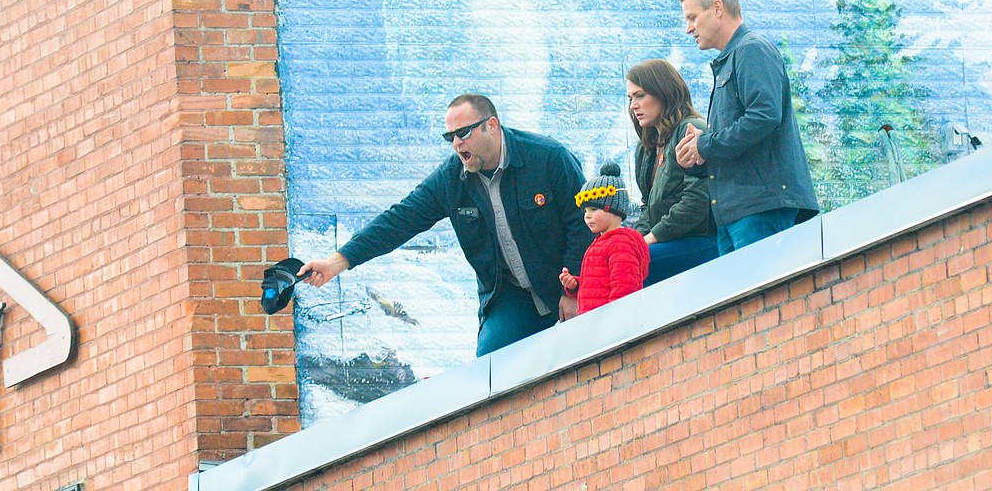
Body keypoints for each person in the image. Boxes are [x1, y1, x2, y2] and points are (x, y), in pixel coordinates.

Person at [298, 94, 591, 356]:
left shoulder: (548, 157)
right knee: (491, 366)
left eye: (463, 133)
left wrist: (574, 289)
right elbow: (399, 220)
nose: (456, 144)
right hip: (511, 297)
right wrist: (336, 263)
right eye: (449, 137)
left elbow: (582, 224)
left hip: (567, 281)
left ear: (491, 125)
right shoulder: (452, 180)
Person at [673, 0, 819, 254]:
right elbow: (743, 136)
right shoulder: (733, 58)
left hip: (760, 209)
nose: (688, 29)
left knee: (766, 297)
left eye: (692, 17)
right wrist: (697, 155)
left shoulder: (752, 50)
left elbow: (764, 116)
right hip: (737, 215)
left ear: (717, 8)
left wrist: (705, 144)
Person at [625, 60, 718, 284]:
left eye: (640, 96)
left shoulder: (692, 130)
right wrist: (633, 241)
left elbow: (697, 201)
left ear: (664, 92)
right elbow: (647, 204)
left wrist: (649, 240)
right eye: (630, 99)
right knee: (619, 262)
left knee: (633, 266)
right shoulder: (646, 147)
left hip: (701, 239)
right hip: (664, 241)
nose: (633, 106)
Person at [558, 163, 649, 315]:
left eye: (593, 209)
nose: (587, 215)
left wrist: (612, 322)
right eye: (585, 210)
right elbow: (596, 287)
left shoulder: (621, 244)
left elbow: (625, 290)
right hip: (597, 324)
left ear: (613, 209)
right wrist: (575, 286)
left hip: (611, 325)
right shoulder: (599, 244)